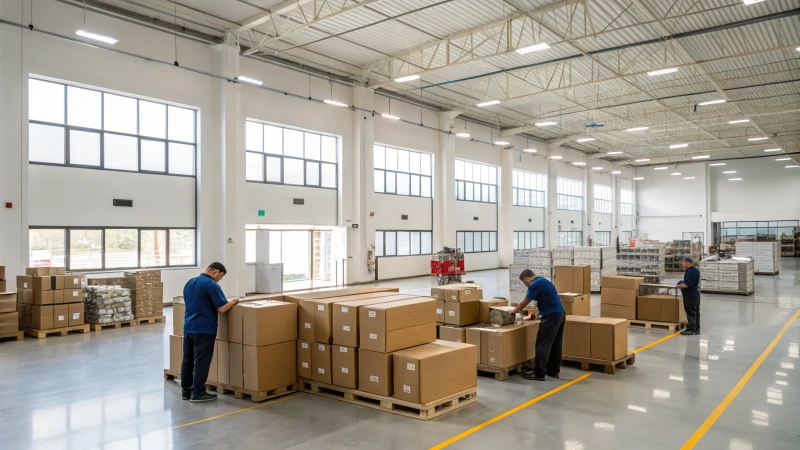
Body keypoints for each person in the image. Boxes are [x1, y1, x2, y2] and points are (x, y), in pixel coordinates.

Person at [181, 262, 239, 402]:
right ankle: (198, 393)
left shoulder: (190, 282)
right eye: (221, 276)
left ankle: (186, 391)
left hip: (189, 327)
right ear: (215, 272)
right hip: (204, 329)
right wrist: (233, 302)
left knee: (187, 360)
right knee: (202, 361)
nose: (220, 279)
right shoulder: (211, 285)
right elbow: (222, 308)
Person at [509, 269, 565, 381]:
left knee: (542, 345)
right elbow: (548, 300)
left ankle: (539, 373)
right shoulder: (543, 281)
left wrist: (513, 312)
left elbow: (525, 301)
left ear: (526, 279)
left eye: (524, 284)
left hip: (551, 317)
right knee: (555, 344)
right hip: (560, 314)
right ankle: (553, 371)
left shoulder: (535, 284)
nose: (526, 286)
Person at [677, 257, 701, 336]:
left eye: (683, 262)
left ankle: (691, 329)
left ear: (689, 262)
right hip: (694, 295)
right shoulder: (692, 270)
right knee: (695, 312)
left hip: (690, 295)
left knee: (690, 312)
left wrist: (678, 286)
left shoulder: (692, 271)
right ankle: (696, 329)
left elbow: (688, 284)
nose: (682, 264)